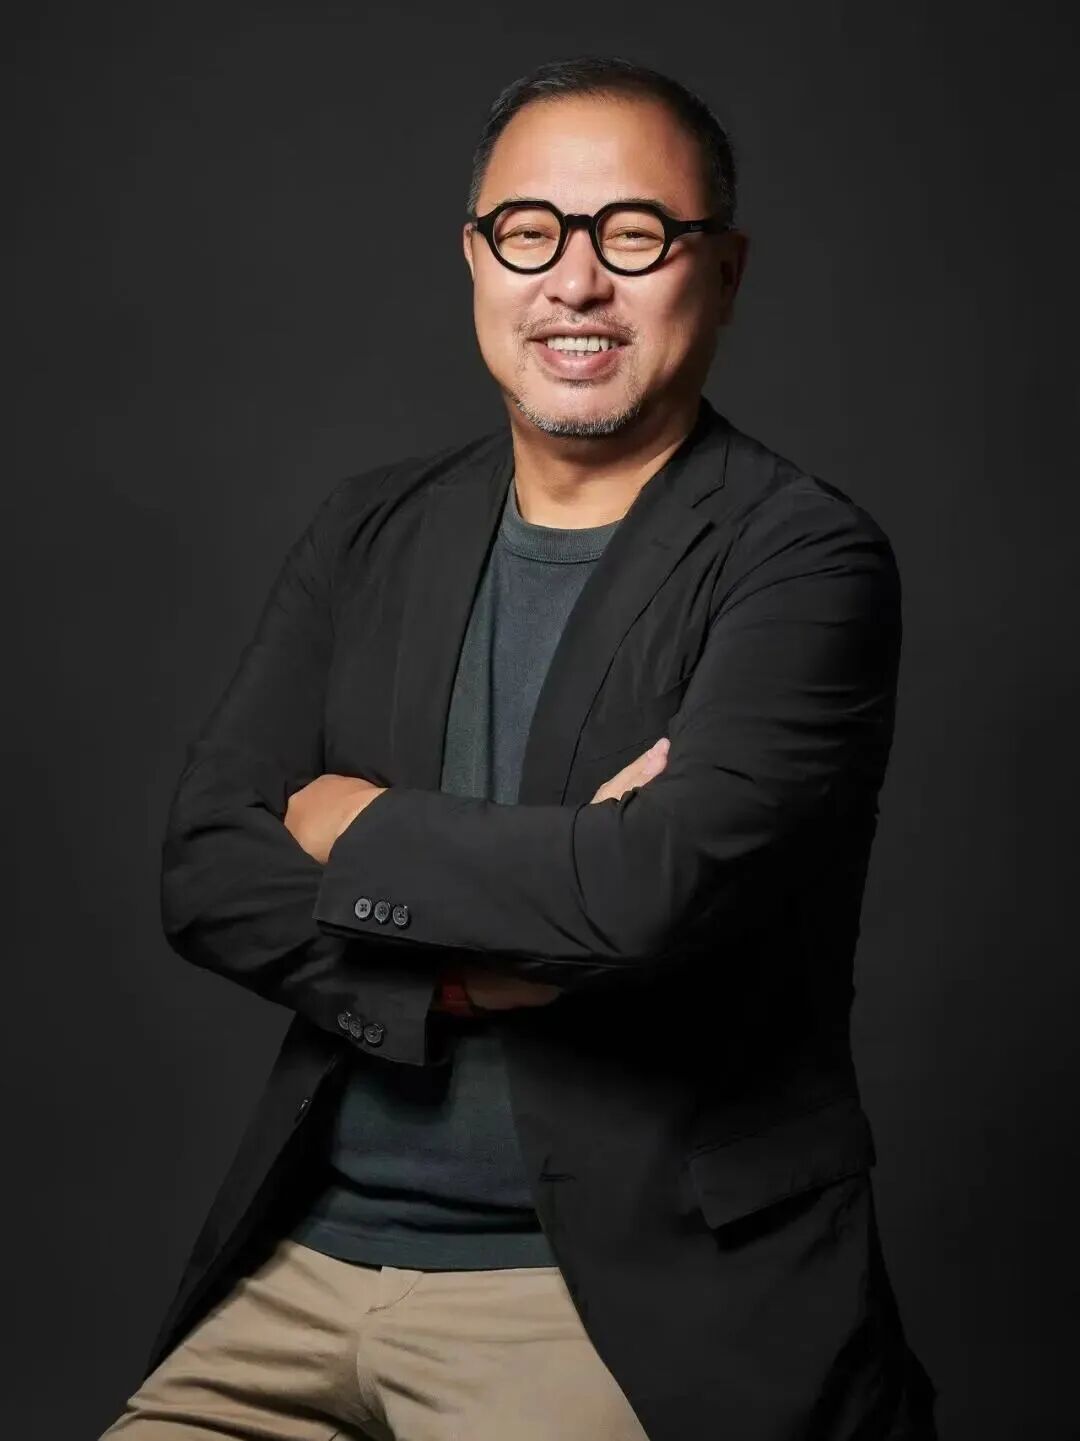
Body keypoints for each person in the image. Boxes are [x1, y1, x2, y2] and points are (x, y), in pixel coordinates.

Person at [99, 55, 939, 1441]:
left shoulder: (805, 560)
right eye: (531, 232)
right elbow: (202, 867)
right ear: (476, 259)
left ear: (724, 271)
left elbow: (646, 890)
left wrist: (352, 822)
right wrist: (461, 981)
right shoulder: (369, 529)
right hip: (300, 1270)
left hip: (601, 1300)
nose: (576, 282)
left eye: (635, 234)